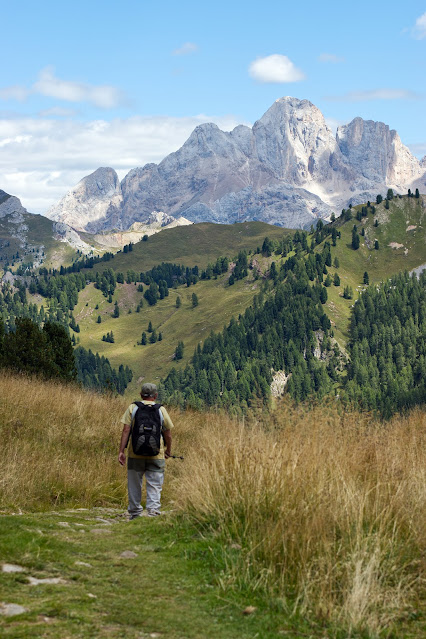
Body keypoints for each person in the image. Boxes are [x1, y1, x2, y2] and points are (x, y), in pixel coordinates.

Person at [118, 383, 174, 519]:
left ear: (141, 394)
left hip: (134, 453)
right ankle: (153, 512)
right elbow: (168, 433)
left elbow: (126, 430)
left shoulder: (133, 407)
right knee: (155, 484)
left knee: (134, 484)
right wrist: (168, 450)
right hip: (157, 454)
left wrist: (121, 451)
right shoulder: (161, 410)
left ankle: (135, 513)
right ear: (155, 396)